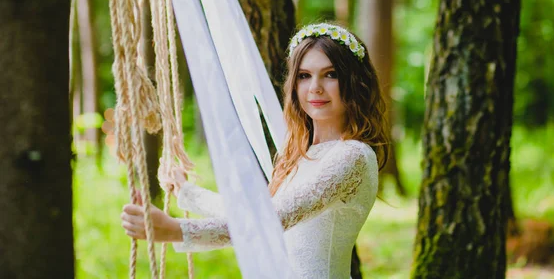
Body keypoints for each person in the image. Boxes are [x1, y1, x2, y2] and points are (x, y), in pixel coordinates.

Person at [121, 22, 390, 278]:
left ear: (355, 82)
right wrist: (187, 192)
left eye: (330, 74)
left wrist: (178, 230)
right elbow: (255, 214)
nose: (315, 87)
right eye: (304, 76)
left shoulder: (352, 156)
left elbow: (273, 220)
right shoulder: (300, 154)